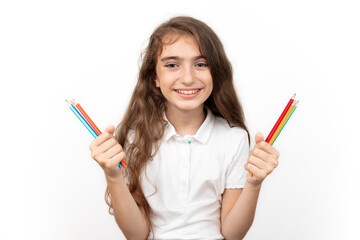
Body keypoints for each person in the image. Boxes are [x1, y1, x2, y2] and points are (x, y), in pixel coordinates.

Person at [89, 16, 279, 240]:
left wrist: (254, 183)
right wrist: (113, 176)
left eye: (201, 64)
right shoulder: (134, 138)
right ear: (154, 78)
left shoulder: (233, 138)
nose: (188, 78)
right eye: (172, 65)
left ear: (215, 73)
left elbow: (232, 233)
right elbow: (137, 235)